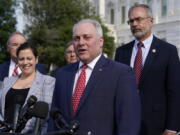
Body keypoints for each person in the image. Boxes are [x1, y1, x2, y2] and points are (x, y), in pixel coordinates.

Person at [49, 19, 141, 135]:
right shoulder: (63, 74)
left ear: (101, 41)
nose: (81, 42)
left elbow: (128, 123)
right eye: (76, 38)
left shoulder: (121, 73)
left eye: (87, 37)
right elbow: (54, 117)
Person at [115, 4, 180, 135]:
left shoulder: (168, 51)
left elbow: (175, 91)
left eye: (138, 19)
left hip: (157, 125)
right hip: (126, 124)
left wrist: (172, 128)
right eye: (131, 21)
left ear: (151, 21)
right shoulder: (121, 52)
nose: (134, 24)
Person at [0, 42, 55, 134]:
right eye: (21, 59)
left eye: (29, 58)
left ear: (36, 59)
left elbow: (45, 117)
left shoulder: (47, 81)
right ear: (17, 61)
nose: (25, 62)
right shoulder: (7, 81)